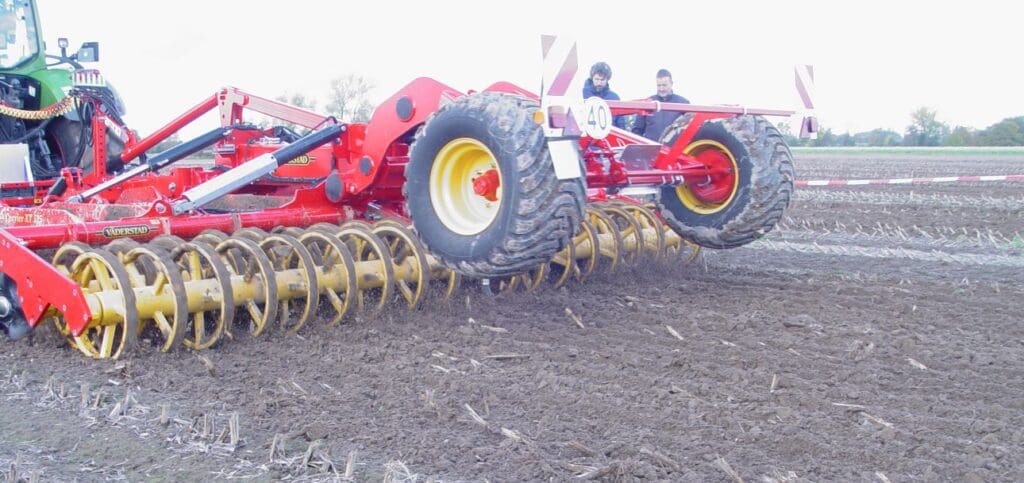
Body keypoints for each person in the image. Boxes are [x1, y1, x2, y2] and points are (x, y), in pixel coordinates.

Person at [632, 68, 690, 141]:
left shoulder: (683, 103)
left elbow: (690, 130)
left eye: (664, 85)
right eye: (659, 85)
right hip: (651, 149)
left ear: (671, 84)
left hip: (673, 150)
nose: (661, 89)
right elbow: (637, 131)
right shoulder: (647, 103)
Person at [582, 61, 627, 130]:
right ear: (592, 78)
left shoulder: (614, 98)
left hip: (609, 138)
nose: (599, 83)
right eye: (596, 79)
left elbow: (620, 124)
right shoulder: (581, 95)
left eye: (602, 80)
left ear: (607, 79)